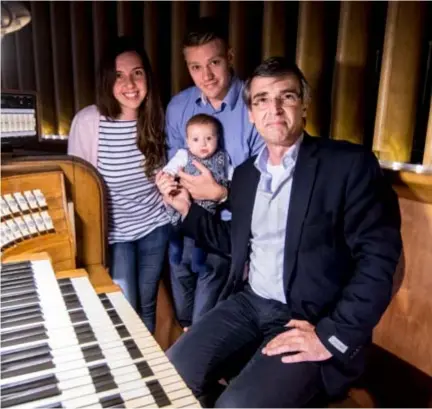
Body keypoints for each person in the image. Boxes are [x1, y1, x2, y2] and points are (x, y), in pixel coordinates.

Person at [156, 57, 402, 408]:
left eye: (286, 97)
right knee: (170, 376)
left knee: (234, 406)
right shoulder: (244, 176)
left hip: (310, 318)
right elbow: (236, 243)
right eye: (261, 100)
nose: (274, 108)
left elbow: (379, 262)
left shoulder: (348, 164)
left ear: (303, 105)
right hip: (249, 303)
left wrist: (330, 336)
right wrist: (185, 209)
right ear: (251, 115)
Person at [165, 17, 264, 328]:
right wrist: (167, 181)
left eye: (214, 62)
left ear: (230, 57)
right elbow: (175, 161)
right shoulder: (178, 107)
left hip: (227, 232)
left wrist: (221, 193)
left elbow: (268, 186)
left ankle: (199, 368)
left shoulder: (256, 103)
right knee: (184, 311)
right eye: (195, 67)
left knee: (205, 320)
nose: (205, 75)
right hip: (183, 221)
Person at [68, 36, 170, 334]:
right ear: (107, 81)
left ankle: (151, 372)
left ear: (147, 77)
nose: (130, 83)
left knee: (148, 305)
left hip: (155, 226)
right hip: (115, 234)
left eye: (137, 73)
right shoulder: (88, 121)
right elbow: (78, 186)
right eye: (119, 75)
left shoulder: (156, 119)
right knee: (125, 308)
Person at [163, 114, 232, 311]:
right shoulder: (184, 155)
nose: (203, 144)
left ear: (217, 138)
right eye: (196, 139)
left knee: (200, 244)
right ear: (187, 141)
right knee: (178, 245)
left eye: (209, 138)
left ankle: (197, 264)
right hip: (181, 211)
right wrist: (166, 180)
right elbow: (169, 170)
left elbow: (233, 177)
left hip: (208, 212)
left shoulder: (223, 158)